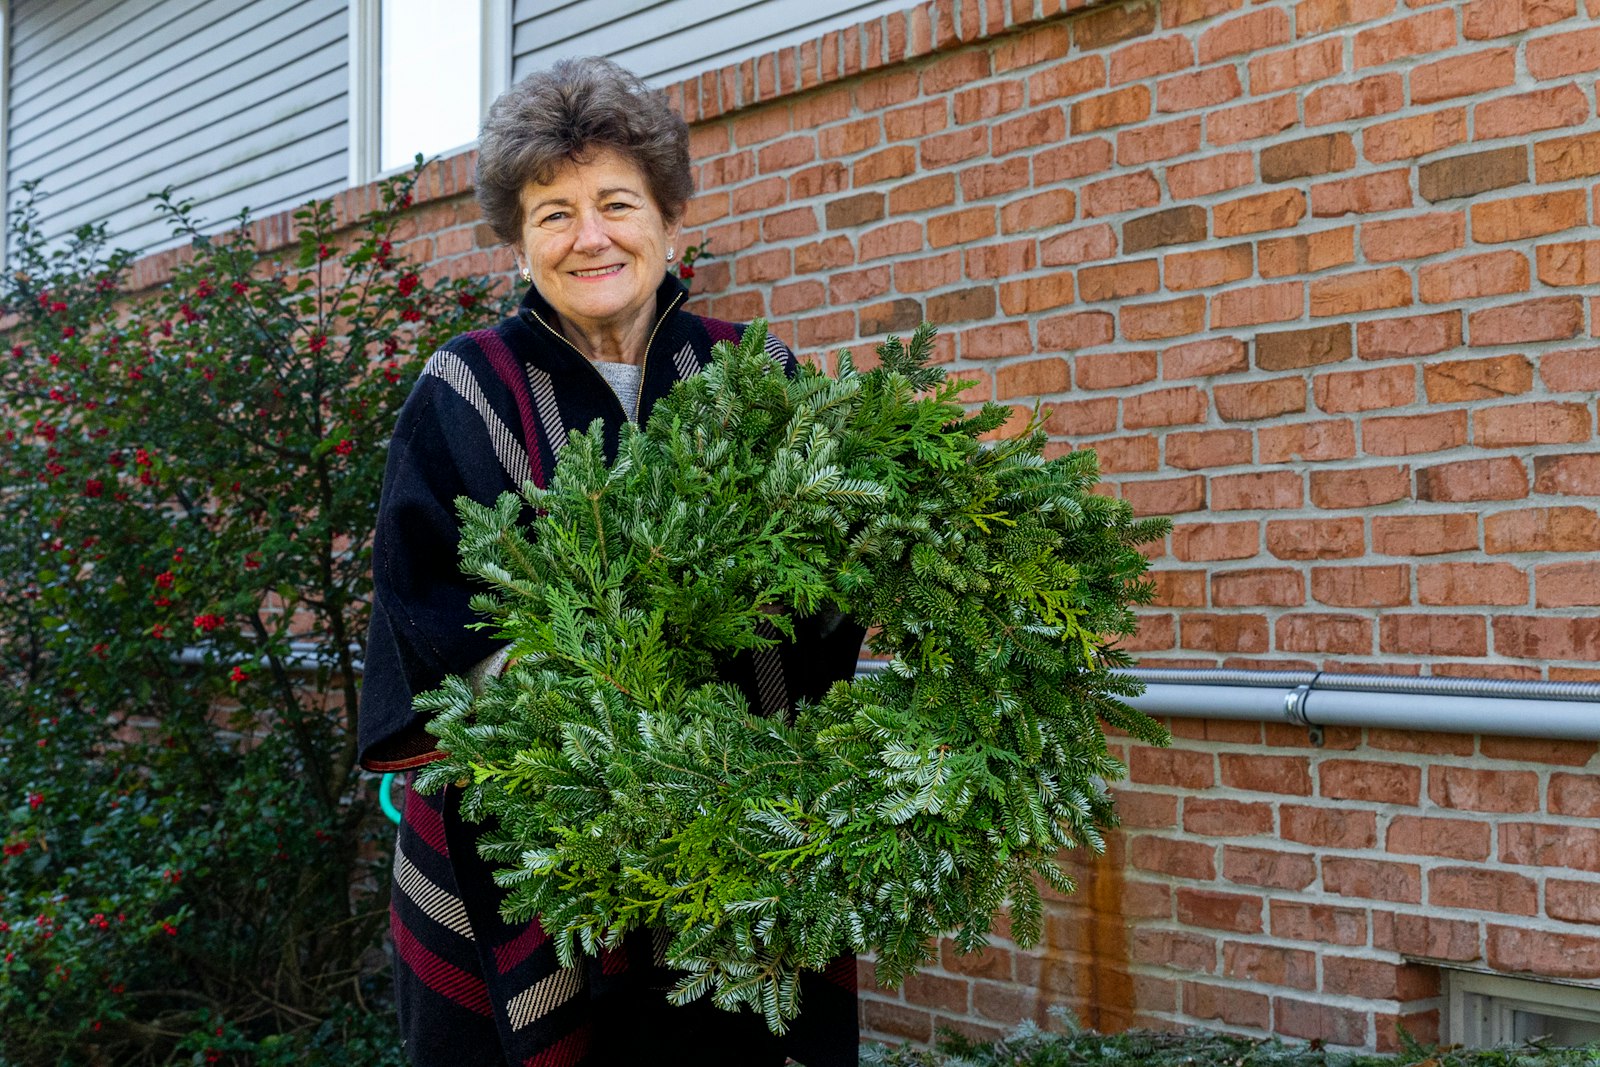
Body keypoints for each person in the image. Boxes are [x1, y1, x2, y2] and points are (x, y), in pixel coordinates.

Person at [359, 57, 865, 1066]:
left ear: (670, 217)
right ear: (517, 240)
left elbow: (824, 591)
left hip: (741, 826)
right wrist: (565, 675)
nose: (589, 236)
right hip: (524, 848)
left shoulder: (754, 373)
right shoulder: (467, 387)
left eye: (615, 203)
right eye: (552, 213)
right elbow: (419, 600)